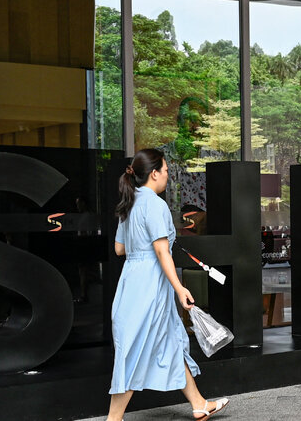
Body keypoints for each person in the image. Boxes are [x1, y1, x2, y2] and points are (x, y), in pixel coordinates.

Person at [106, 149, 229, 421]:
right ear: (154, 174)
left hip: (132, 279)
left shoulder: (129, 203)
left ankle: (199, 403)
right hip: (150, 283)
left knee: (169, 340)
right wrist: (179, 288)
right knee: (135, 349)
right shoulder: (154, 204)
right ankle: (113, 419)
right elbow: (162, 252)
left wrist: (140, 246)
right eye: (165, 171)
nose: (167, 176)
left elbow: (119, 249)